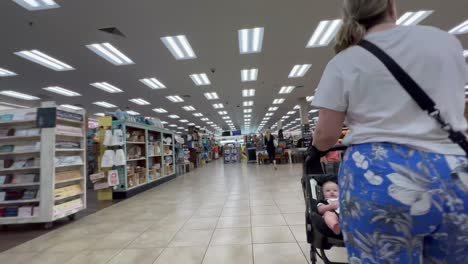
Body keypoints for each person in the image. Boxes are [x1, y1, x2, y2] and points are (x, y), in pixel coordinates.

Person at [311, 0, 468, 263]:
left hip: (379, 178)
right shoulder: (445, 42)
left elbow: (327, 134)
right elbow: (458, 107)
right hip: (453, 172)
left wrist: (315, 150)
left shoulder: (344, 61)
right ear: (392, 6)